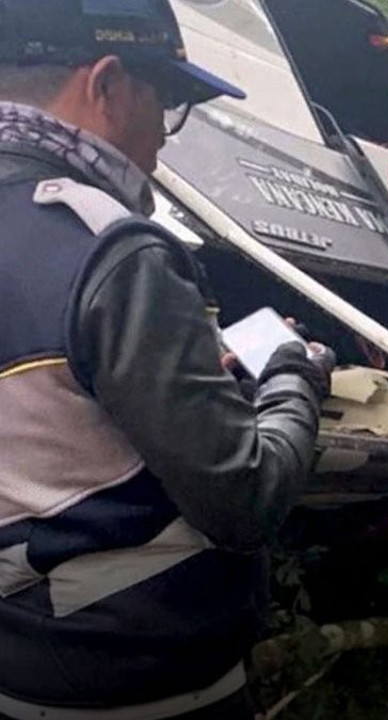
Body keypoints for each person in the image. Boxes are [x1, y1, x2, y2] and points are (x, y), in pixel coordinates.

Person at [0, 1, 333, 718]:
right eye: (170, 103)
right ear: (109, 85)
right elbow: (242, 499)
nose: (164, 138)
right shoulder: (112, 250)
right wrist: (292, 373)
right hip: (150, 690)